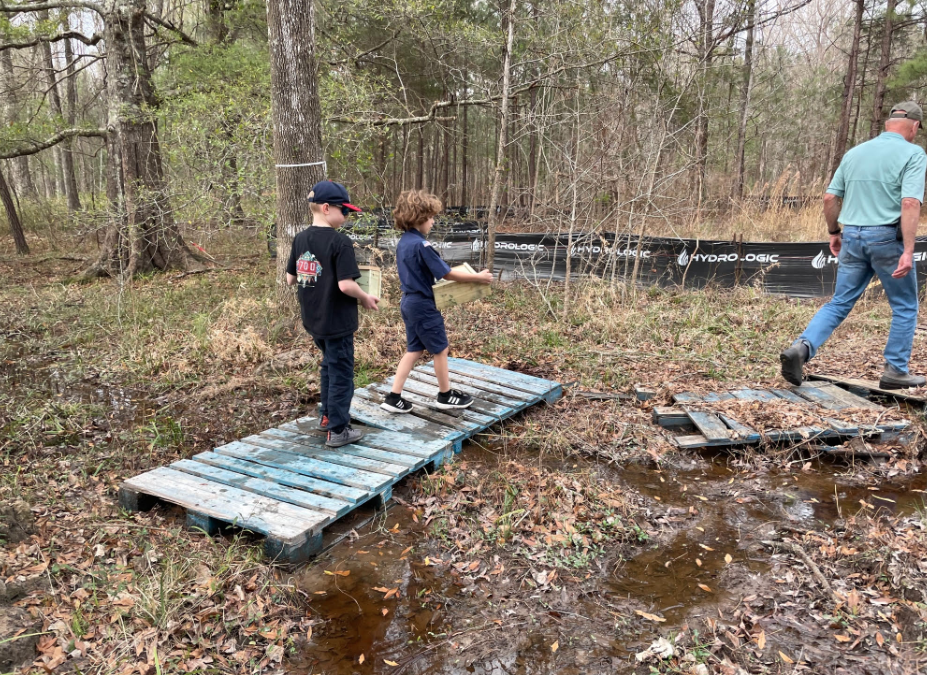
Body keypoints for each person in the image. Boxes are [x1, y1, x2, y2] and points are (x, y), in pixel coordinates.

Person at [780, 101, 927, 390]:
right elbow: (910, 202)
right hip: (887, 239)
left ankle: (802, 348)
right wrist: (908, 250)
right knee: (905, 305)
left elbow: (829, 198)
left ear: (888, 123)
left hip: (853, 237)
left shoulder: (855, 152)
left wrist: (834, 232)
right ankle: (895, 371)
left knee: (839, 301)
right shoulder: (914, 153)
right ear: (915, 126)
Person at [381, 190, 493, 413]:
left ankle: (394, 397)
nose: (433, 222)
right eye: (431, 217)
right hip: (423, 305)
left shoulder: (404, 242)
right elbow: (447, 274)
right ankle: (445, 395)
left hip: (408, 303)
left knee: (414, 349)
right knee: (441, 349)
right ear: (419, 218)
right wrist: (478, 277)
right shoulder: (422, 246)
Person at [286, 181, 379, 447]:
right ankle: (339, 430)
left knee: (329, 365)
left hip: (313, 320)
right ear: (327, 208)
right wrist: (365, 298)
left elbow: (291, 279)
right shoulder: (341, 242)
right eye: (345, 211)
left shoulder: (301, 238)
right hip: (337, 321)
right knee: (341, 373)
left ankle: (327, 416)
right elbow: (346, 285)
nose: (347, 216)